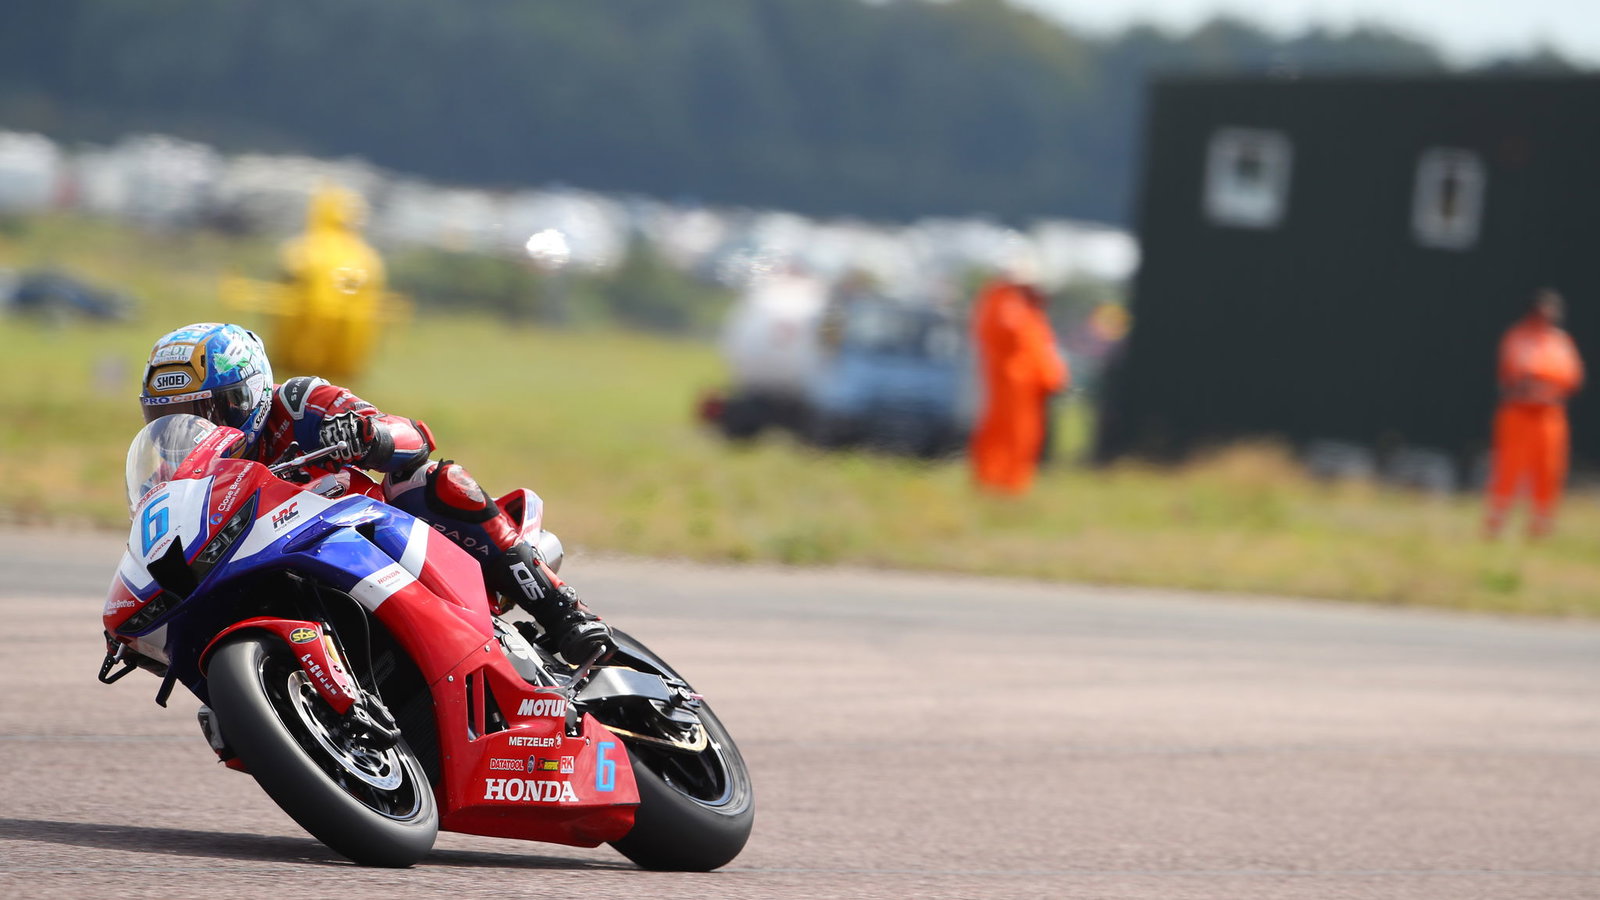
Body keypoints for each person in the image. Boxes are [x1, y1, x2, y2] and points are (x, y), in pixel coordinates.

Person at [137, 321, 615, 663]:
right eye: (171, 417)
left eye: (213, 409)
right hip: (280, 569)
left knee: (432, 479)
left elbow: (413, 437)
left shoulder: (298, 403)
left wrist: (370, 435)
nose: (200, 428)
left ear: (252, 392)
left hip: (377, 539)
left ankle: (561, 610)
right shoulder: (184, 469)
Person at [1483, 289, 1585, 538]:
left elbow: (1572, 377)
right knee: (1509, 469)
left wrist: (1545, 386)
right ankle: (1496, 525)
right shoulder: (1518, 337)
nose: (1547, 316)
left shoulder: (1560, 342)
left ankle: (1540, 528)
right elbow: (1516, 374)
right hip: (1519, 414)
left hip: (1549, 416)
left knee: (1549, 469)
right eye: (1542, 310)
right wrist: (1538, 384)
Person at [969, 270, 1068, 494]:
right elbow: (1011, 335)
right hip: (1013, 386)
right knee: (1012, 435)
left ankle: (1010, 482)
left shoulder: (1027, 311)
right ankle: (1002, 482)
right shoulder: (1005, 302)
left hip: (1028, 388)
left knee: (1023, 436)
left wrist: (1051, 378)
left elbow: (1039, 351)